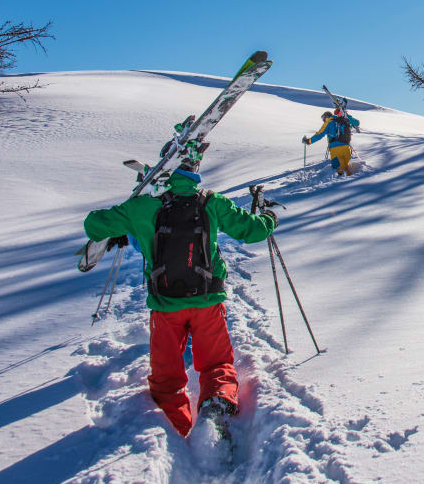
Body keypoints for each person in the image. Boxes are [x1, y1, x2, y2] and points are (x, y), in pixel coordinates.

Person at [83, 152, 278, 438]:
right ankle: (217, 405)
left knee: (166, 378)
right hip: (207, 302)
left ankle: (176, 432)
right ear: (193, 174)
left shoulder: (142, 207)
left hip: (165, 307)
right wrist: (269, 219)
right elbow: (251, 230)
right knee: (216, 364)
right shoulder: (212, 201)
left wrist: (128, 214)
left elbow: (93, 225)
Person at [303, 108, 361, 176]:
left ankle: (337, 184)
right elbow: (357, 122)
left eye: (323, 118)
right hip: (347, 147)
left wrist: (309, 141)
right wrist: (347, 115)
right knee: (347, 168)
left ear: (326, 116)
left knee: (339, 171)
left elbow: (320, 134)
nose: (323, 120)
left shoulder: (329, 122)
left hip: (335, 149)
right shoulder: (342, 119)